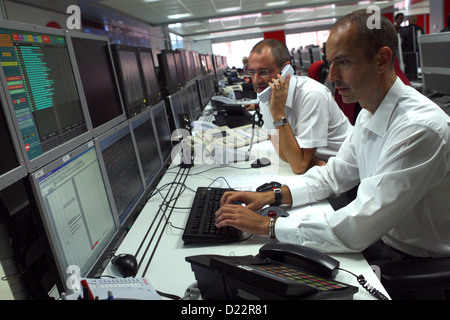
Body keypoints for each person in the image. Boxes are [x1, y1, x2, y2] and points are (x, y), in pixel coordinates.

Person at [216, 10, 449, 263]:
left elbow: (359, 227)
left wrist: (267, 226)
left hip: (411, 260)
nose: (332, 76)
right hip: (379, 236)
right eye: (331, 63)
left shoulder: (418, 128)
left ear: (382, 60)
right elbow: (334, 174)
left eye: (344, 62)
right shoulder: (369, 114)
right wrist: (273, 195)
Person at [247, 39, 353, 174]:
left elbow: (299, 166)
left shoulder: (312, 95)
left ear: (286, 69)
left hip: (347, 172)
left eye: (263, 72)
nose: (256, 80)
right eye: (252, 72)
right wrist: (305, 160)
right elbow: (281, 151)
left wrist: (278, 112)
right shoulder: (265, 96)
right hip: (321, 169)